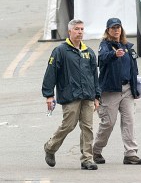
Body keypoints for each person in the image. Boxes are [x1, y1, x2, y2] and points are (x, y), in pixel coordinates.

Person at [42, 19, 101, 170]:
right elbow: (51, 72)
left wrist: (97, 96)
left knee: (87, 127)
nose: (80, 32)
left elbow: (95, 75)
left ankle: (87, 158)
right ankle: (50, 147)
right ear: (70, 32)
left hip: (87, 95)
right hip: (70, 95)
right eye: (77, 29)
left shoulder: (88, 52)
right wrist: (49, 95)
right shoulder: (60, 51)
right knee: (68, 125)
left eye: (82, 29)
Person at [92, 18, 141, 165]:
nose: (116, 30)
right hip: (110, 91)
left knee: (129, 121)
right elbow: (101, 59)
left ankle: (131, 153)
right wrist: (114, 55)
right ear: (108, 30)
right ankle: (96, 150)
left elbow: (133, 68)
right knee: (108, 122)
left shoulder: (127, 46)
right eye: (113, 28)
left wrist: (136, 86)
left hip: (127, 89)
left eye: (118, 27)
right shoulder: (105, 46)